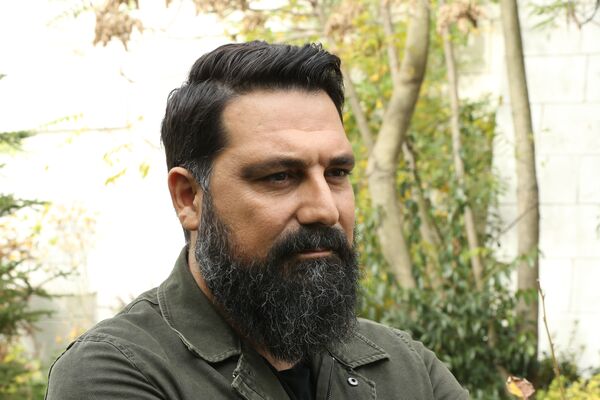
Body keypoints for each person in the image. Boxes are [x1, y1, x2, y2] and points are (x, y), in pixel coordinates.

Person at [46, 41, 469, 400]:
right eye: (279, 176)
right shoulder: (117, 370)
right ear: (189, 198)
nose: (325, 210)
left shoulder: (404, 366)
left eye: (337, 173)